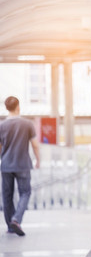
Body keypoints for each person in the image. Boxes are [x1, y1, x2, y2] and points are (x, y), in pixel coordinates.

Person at [0, 96, 40, 236]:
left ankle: (11, 226)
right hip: (23, 164)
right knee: (25, 192)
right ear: (18, 107)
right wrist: (38, 160)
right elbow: (35, 145)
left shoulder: (2, 125)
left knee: (7, 195)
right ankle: (16, 219)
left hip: (5, 165)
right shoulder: (27, 124)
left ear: (6, 108)